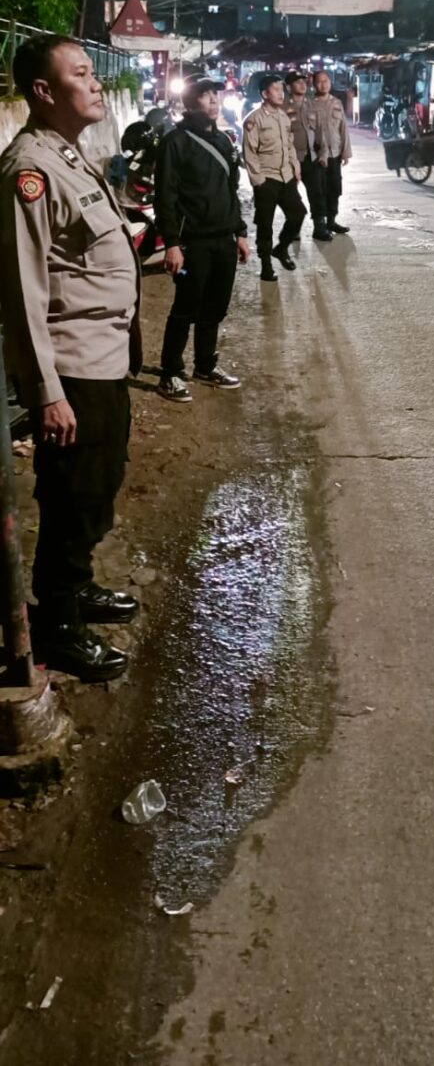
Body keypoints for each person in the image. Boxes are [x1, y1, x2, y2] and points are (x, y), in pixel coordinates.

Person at [0, 35, 142, 683]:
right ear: (43, 92)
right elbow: (24, 294)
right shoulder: (27, 171)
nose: (95, 84)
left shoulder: (69, 156)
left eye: (93, 73)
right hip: (74, 367)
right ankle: (57, 623)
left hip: (106, 359)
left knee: (100, 484)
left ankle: (75, 585)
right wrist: (47, 392)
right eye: (81, 74)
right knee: (72, 495)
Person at [154, 77, 250, 403]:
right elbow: (164, 197)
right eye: (205, 97)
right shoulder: (175, 143)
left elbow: (231, 191)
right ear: (191, 103)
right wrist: (171, 243)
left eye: (215, 96)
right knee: (185, 307)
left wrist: (239, 232)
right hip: (190, 244)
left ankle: (205, 366)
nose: (213, 102)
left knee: (215, 308)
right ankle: (170, 372)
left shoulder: (223, 140)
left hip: (223, 240)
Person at [243, 75, 306, 281]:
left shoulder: (283, 117)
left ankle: (281, 248)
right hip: (267, 178)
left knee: (298, 213)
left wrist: (295, 167)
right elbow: (250, 153)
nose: (281, 93)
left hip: (286, 176)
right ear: (264, 94)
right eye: (276, 90)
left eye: (282, 89)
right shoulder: (254, 119)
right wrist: (258, 180)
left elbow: (289, 146)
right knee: (265, 224)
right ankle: (266, 265)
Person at [284, 71, 332, 242]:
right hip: (291, 161)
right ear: (289, 87)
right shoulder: (282, 107)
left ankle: (320, 228)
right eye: (298, 82)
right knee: (292, 197)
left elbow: (321, 131)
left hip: (311, 159)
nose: (303, 85)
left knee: (317, 194)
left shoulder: (312, 105)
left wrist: (323, 154)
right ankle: (294, 228)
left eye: (304, 81)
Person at [309, 70, 352, 234]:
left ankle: (331, 221)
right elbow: (309, 132)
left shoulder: (337, 103)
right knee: (319, 191)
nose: (323, 84)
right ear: (314, 85)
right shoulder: (309, 104)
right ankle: (319, 225)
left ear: (330, 82)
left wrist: (346, 152)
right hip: (317, 155)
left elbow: (343, 129)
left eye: (326, 81)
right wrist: (318, 154)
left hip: (335, 153)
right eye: (319, 81)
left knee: (335, 189)